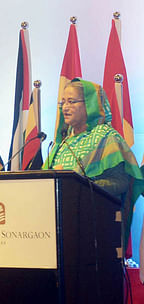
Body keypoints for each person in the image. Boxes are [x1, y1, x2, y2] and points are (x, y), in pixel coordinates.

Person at [44, 78, 144, 256]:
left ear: (89, 104)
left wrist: (82, 186)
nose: (65, 107)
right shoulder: (61, 142)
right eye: (63, 102)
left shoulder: (106, 137)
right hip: (60, 230)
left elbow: (121, 182)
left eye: (71, 101)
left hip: (96, 231)